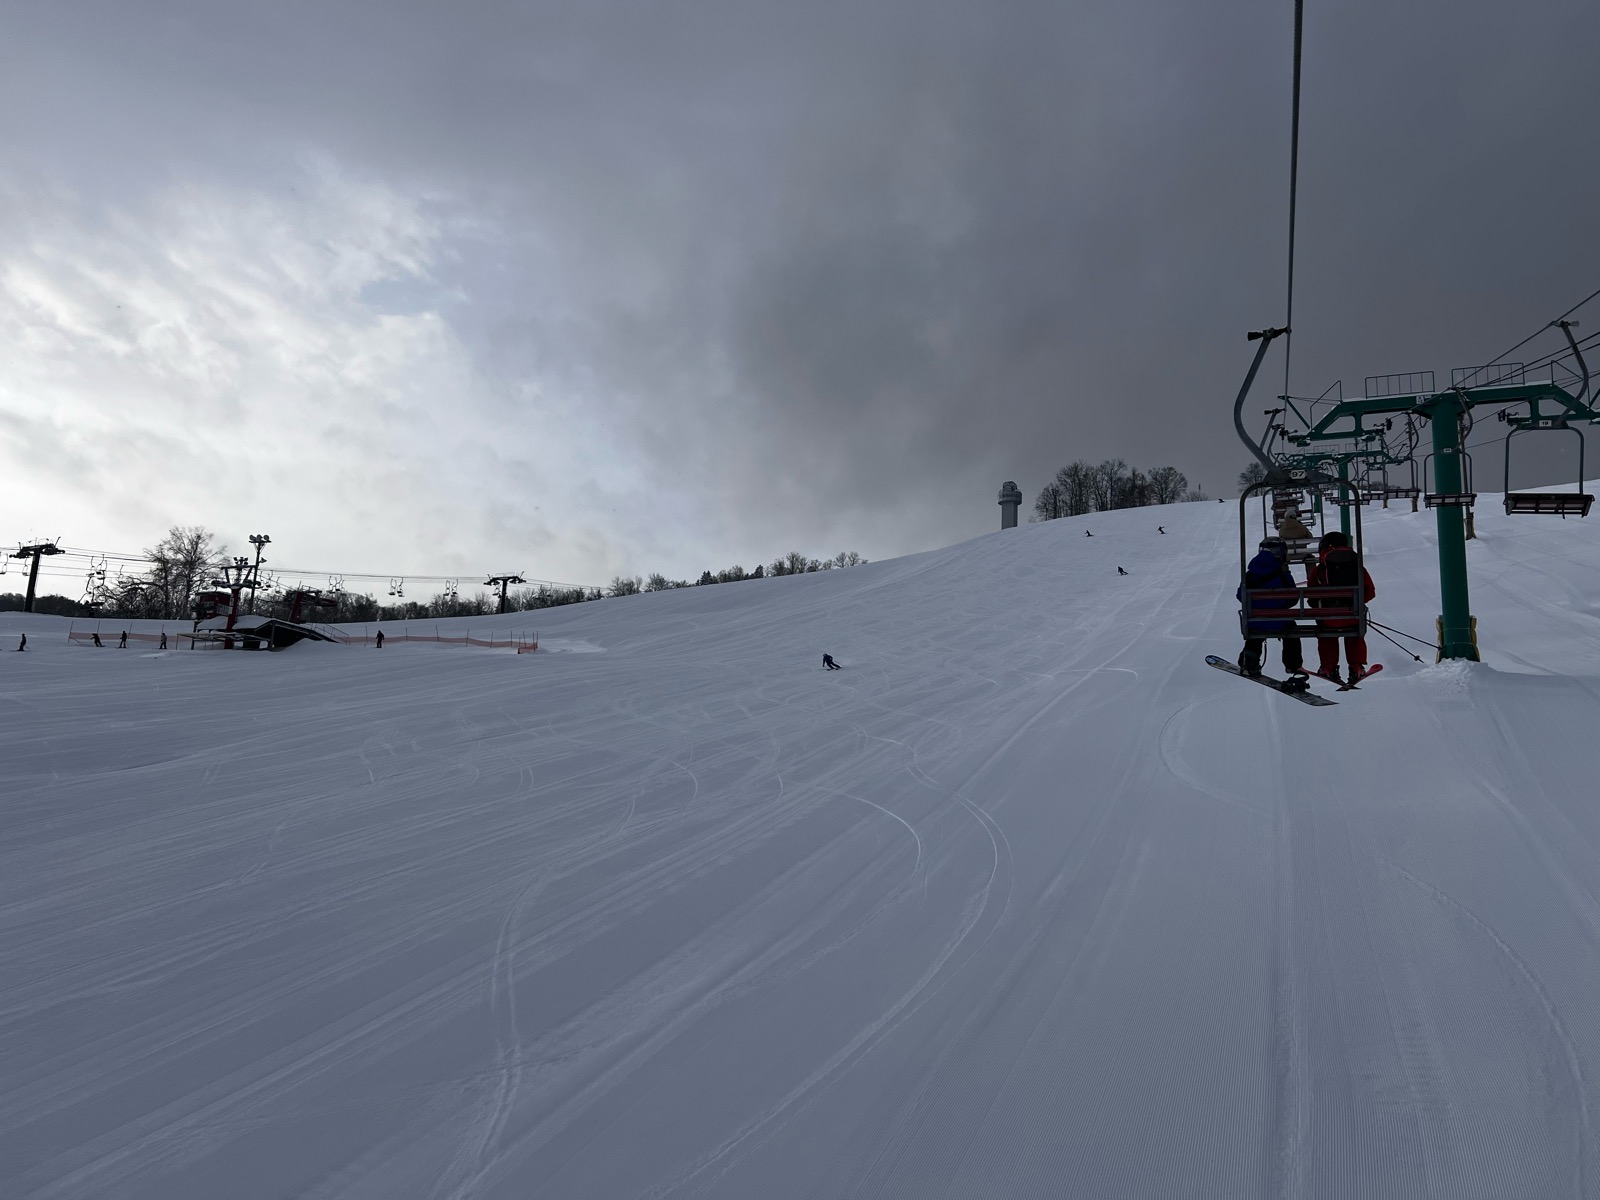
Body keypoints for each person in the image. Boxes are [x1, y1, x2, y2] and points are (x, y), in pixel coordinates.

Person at [1307, 530, 1376, 684]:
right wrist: (1356, 603)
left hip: (1327, 619)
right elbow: (1370, 592)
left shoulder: (1320, 570)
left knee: (1327, 635)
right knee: (1355, 633)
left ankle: (1328, 667)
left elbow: (1310, 593)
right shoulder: (1358, 568)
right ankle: (1356, 666)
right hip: (1352, 616)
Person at [1237, 536, 1304, 678]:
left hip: (1255, 620)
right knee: (1292, 630)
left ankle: (1249, 662)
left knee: (1255, 633)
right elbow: (1293, 598)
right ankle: (1293, 665)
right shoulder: (1282, 573)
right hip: (1280, 620)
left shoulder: (1251, 573)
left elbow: (1240, 596)